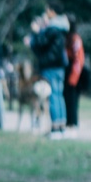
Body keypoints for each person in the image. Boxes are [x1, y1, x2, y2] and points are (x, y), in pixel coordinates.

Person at [29, 8, 69, 136]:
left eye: (47, 11)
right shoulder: (61, 28)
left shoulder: (52, 29)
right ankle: (61, 126)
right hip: (59, 67)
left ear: (52, 12)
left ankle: (56, 128)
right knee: (59, 95)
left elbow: (40, 45)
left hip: (50, 67)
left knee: (52, 96)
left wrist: (37, 32)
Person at [63, 16, 87, 133]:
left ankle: (73, 123)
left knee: (73, 99)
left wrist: (73, 77)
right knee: (67, 99)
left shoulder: (75, 39)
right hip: (67, 71)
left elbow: (79, 59)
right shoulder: (65, 37)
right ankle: (68, 122)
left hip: (74, 73)